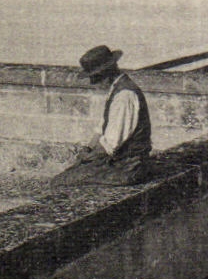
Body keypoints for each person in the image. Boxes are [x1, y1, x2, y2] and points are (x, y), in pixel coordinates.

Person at [52, 45, 153, 186]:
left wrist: (85, 159)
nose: (93, 83)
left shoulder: (124, 96)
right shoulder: (116, 90)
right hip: (120, 162)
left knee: (61, 182)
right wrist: (87, 149)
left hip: (129, 167)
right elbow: (101, 130)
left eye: (95, 78)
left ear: (108, 74)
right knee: (69, 174)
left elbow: (110, 145)